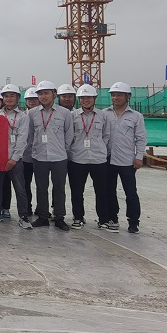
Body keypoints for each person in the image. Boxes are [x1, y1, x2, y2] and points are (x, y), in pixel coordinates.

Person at [28, 80, 74, 231]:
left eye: (46, 93)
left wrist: (62, 150)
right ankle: (43, 216)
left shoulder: (65, 113)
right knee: (41, 188)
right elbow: (30, 134)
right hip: (39, 156)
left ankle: (59, 217)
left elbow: (69, 135)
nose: (43, 96)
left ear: (54, 94)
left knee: (59, 188)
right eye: (40, 94)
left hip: (59, 157)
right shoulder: (32, 113)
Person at [0, 85, 32, 228]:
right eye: (6, 96)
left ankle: (23, 216)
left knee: (20, 188)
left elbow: (22, 140)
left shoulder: (23, 117)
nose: (9, 99)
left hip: (15, 159)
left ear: (18, 98)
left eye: (12, 96)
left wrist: (14, 158)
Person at [103, 81, 147, 234]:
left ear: (128, 97)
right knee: (109, 191)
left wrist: (139, 157)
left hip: (127, 160)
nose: (115, 98)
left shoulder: (136, 116)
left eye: (119, 95)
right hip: (108, 159)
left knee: (131, 193)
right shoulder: (104, 114)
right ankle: (112, 218)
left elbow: (141, 138)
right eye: (113, 95)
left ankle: (133, 222)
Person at [66, 84, 110, 229]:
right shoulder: (73, 116)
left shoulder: (103, 115)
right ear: (79, 99)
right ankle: (78, 217)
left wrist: (100, 149)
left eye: (89, 97)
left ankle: (103, 219)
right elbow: (69, 136)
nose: (86, 100)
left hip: (98, 159)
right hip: (78, 158)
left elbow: (106, 136)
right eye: (83, 98)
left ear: (94, 98)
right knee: (77, 191)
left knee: (102, 191)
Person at [21, 86, 39, 214]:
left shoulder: (43, 115)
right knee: (25, 184)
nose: (32, 102)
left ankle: (42, 209)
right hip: (25, 156)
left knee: (41, 185)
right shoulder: (21, 116)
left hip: (40, 156)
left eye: (34, 99)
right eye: (29, 99)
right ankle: (27, 208)